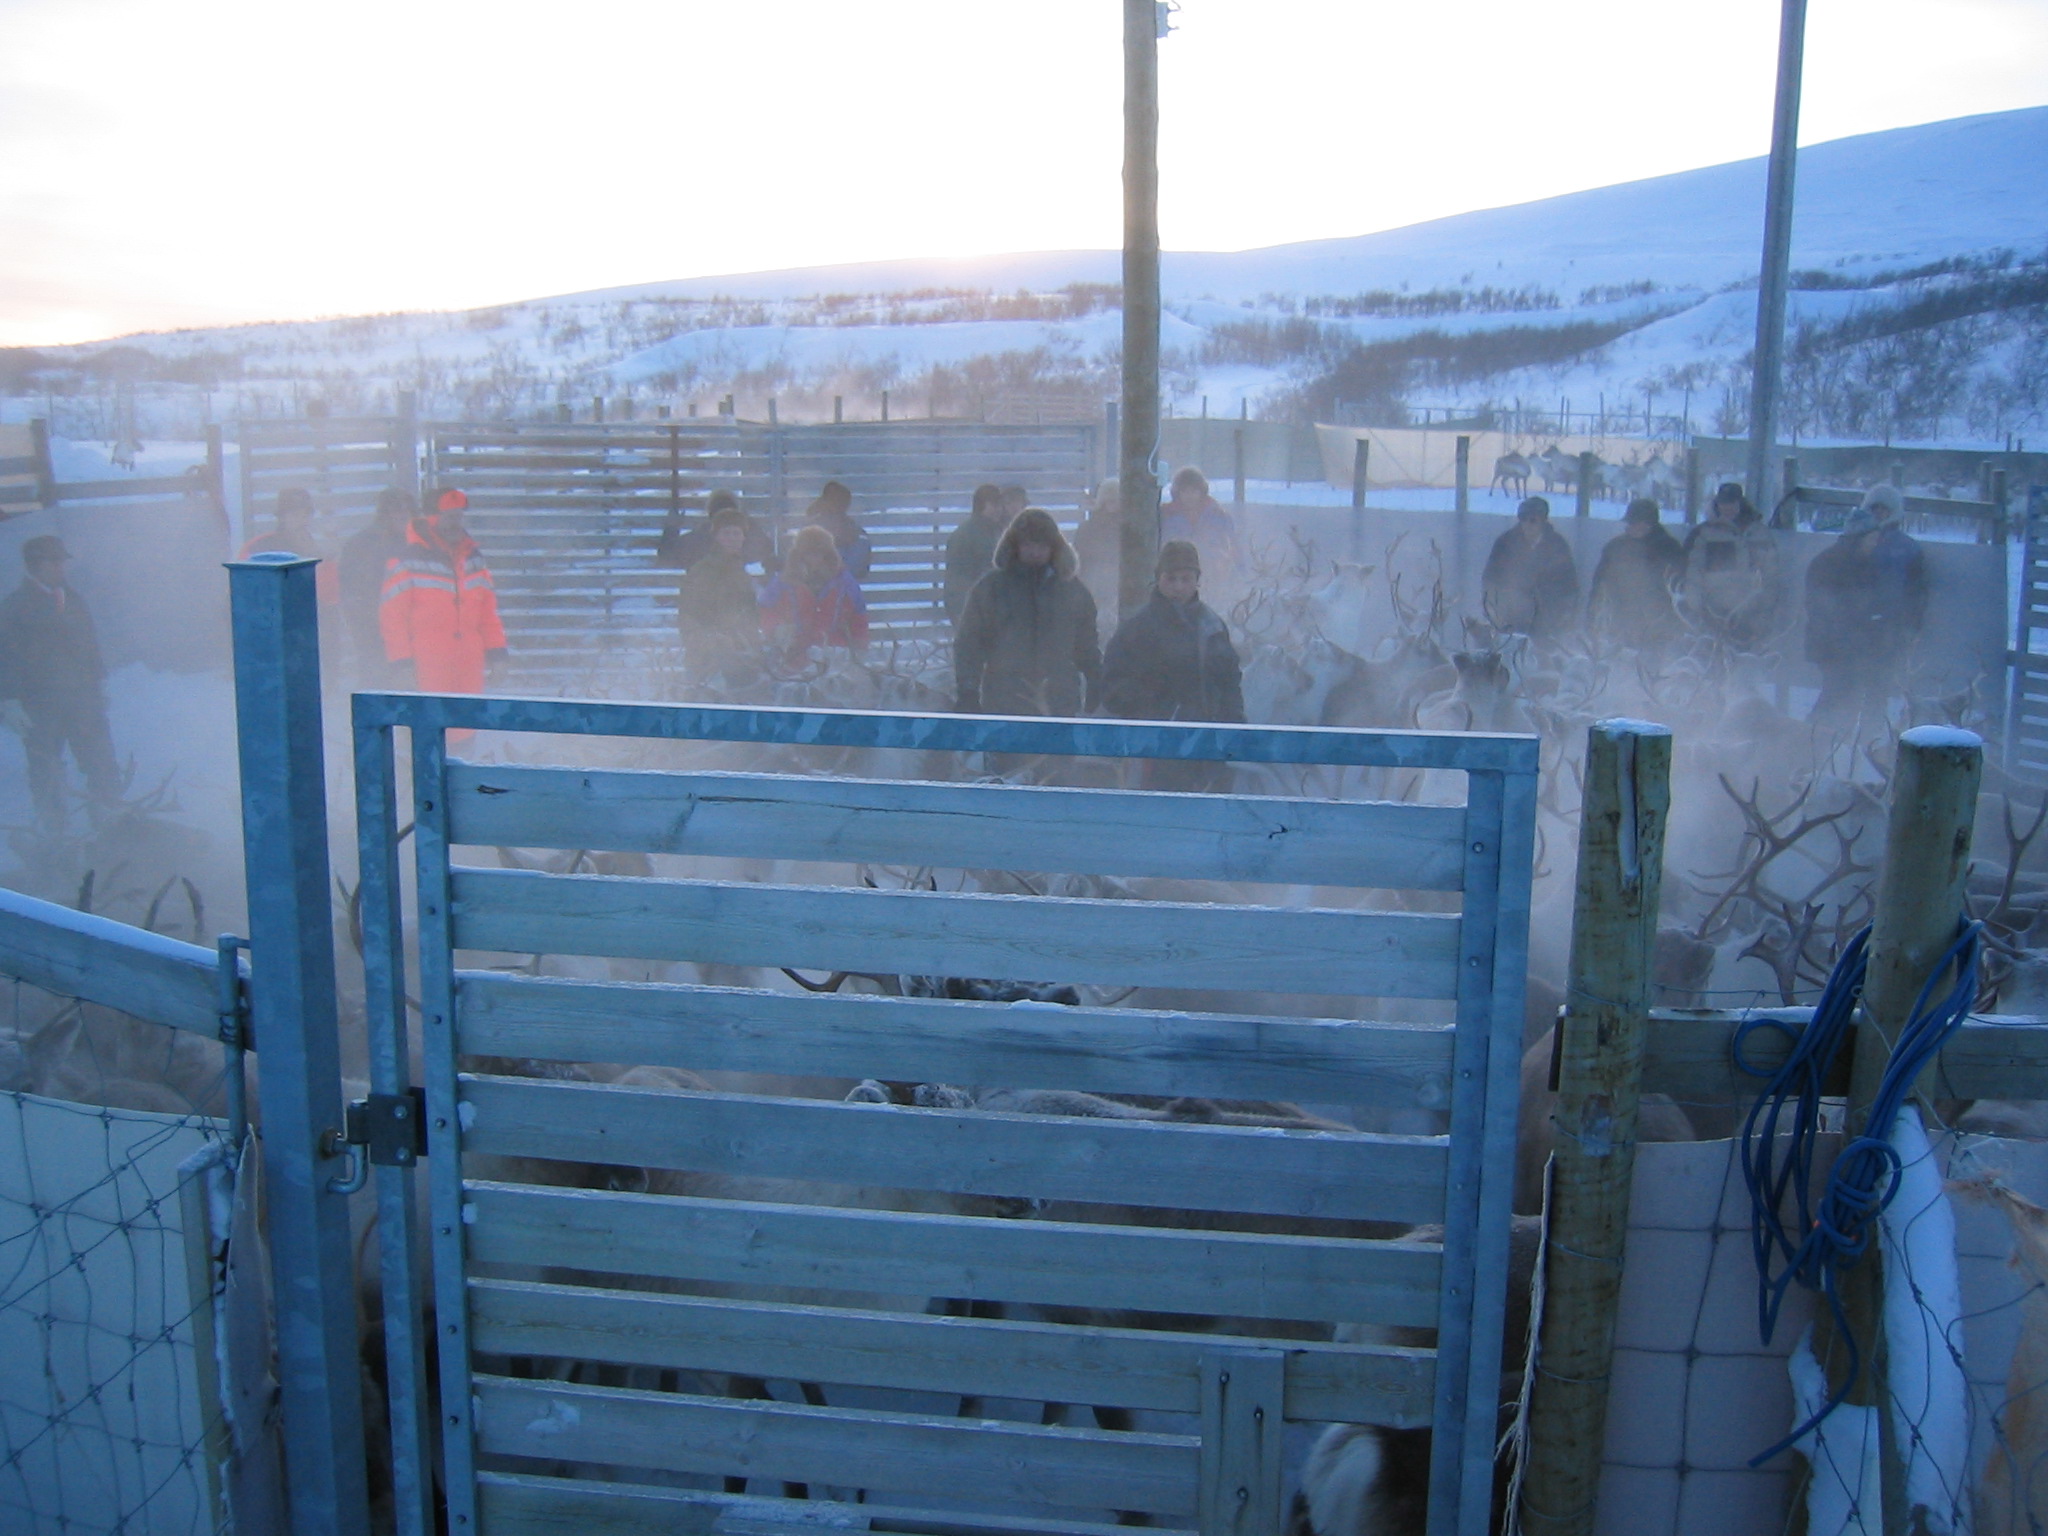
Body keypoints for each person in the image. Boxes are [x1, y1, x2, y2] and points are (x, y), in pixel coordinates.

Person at [0, 535, 122, 831]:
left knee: (100, 761)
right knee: (46, 770)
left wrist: (99, 681)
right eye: (53, 561)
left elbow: (90, 643)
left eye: (61, 561)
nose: (60, 567)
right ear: (35, 565)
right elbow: (6, 657)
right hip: (40, 705)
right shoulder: (14, 607)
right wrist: (9, 701)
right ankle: (55, 834)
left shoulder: (73, 599)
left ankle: (110, 823)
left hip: (83, 699)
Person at [1101, 541, 1243, 791]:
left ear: (1197, 581)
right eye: (1171, 578)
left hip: (1208, 748)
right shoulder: (1137, 629)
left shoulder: (1212, 627)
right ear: (1158, 579)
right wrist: (1153, 704)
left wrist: (1234, 729)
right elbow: (1112, 687)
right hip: (1155, 750)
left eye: (1186, 579)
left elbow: (1230, 684)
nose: (1178, 586)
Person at [953, 507, 1101, 717]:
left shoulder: (1072, 590)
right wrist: (968, 690)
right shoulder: (992, 588)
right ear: (1015, 545)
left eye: (1042, 545)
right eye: (1028, 544)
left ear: (1054, 548)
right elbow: (969, 643)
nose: (1035, 552)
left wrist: (1095, 678)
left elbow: (1086, 643)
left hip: (1060, 701)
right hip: (1005, 701)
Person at [1803, 488, 1928, 724]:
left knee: (1873, 693)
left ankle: (1863, 736)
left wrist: (1909, 627)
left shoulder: (1904, 549)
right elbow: (1828, 605)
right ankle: (1818, 734)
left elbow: (1916, 593)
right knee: (1839, 693)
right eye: (1875, 508)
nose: (1880, 513)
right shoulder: (1845, 559)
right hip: (1849, 639)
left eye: (1885, 509)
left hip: (1882, 633)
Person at [379, 487, 507, 717]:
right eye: (449, 516)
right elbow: (392, 619)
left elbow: (488, 615)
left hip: (468, 668)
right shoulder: (407, 561)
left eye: (459, 516)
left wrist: (497, 655)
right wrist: (401, 663)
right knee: (426, 727)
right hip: (424, 669)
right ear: (431, 519)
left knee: (466, 727)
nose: (455, 523)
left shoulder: (474, 560)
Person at [1680, 482, 1784, 652]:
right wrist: (1697, 608)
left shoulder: (1760, 533)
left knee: (1745, 658)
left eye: (1732, 502)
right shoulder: (1704, 533)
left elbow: (1771, 575)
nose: (1727, 507)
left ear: (1740, 503)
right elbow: (1693, 572)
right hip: (1713, 613)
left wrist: (1764, 612)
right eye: (1723, 503)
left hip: (1750, 613)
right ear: (1717, 504)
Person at [677, 502, 765, 686]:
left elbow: (750, 614)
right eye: (726, 533)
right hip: (709, 659)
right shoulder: (702, 571)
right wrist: (707, 642)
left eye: (736, 533)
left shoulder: (742, 573)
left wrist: (752, 643)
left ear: (743, 537)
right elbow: (688, 614)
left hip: (742, 655)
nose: (732, 538)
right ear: (716, 536)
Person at [338, 487, 416, 683]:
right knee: (378, 683)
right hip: (373, 630)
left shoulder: (420, 543)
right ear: (384, 513)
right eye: (396, 509)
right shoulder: (361, 544)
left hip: (414, 631)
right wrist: (368, 624)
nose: (403, 515)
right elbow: (349, 591)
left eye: (408, 509)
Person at [759, 524, 867, 663]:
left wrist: (860, 644)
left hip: (834, 653)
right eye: (809, 552)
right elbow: (765, 609)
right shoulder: (783, 581)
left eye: (819, 552)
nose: (814, 557)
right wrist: (777, 630)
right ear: (800, 553)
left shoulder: (843, 580)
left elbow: (858, 614)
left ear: (828, 554)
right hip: (794, 653)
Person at [1588, 497, 1686, 650]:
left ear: (1651, 524)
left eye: (1639, 522)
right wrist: (1593, 616)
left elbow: (1679, 587)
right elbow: (1600, 585)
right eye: (1631, 522)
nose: (1633, 527)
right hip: (1621, 620)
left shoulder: (1669, 548)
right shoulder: (1616, 547)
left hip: (1659, 624)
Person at [1482, 496, 1580, 640]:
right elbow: (1490, 579)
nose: (1527, 524)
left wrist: (1564, 618)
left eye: (1533, 520)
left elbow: (1569, 585)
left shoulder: (1558, 545)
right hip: (1511, 620)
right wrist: (1494, 612)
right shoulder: (1505, 543)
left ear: (1543, 521)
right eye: (1523, 519)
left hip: (1548, 621)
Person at [239, 486, 340, 602]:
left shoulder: (316, 551)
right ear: (282, 518)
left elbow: (329, 595)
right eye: (295, 515)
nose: (302, 521)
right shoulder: (258, 547)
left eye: (305, 515)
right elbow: (244, 589)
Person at [656, 488, 776, 574]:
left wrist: (671, 528)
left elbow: (667, 555)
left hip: (701, 595)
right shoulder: (742, 539)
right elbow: (766, 548)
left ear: (710, 511)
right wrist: (746, 520)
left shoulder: (698, 538)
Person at [1159, 468, 1241, 591]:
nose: (1189, 496)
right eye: (1184, 491)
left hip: (1215, 578)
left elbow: (1234, 547)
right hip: (1177, 579)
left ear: (1202, 491)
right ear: (1177, 493)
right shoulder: (1165, 516)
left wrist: (1240, 575)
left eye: (1194, 491)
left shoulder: (1219, 515)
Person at [945, 484, 1009, 624]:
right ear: (980, 506)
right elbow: (959, 579)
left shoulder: (996, 532)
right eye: (994, 505)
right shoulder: (965, 535)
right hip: (970, 608)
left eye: (1000, 505)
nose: (999, 510)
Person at [804, 481, 872, 581]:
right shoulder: (808, 533)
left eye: (839, 502)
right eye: (833, 501)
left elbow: (855, 571)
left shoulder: (859, 537)